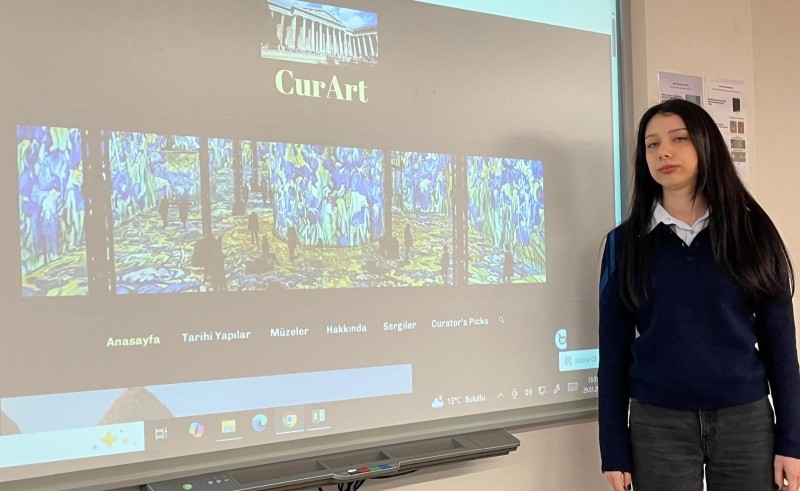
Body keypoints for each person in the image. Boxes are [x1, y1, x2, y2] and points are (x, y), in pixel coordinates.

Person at [599, 98, 800, 491]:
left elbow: (781, 347)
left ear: (706, 145)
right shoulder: (624, 244)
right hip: (658, 425)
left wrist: (792, 441)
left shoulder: (752, 233)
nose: (663, 152)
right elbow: (613, 355)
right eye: (652, 144)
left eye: (679, 139)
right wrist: (614, 448)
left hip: (745, 421)